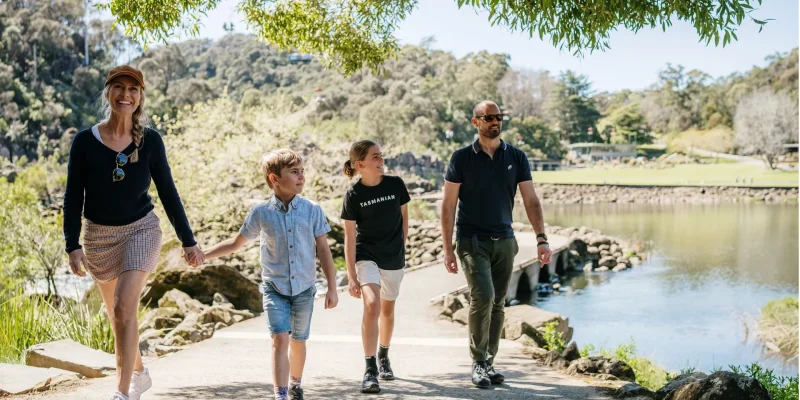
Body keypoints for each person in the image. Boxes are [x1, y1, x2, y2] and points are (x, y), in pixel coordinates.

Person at [63, 65, 204, 400]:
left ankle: (122, 392)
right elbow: (72, 196)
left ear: (141, 97)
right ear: (108, 92)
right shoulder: (84, 141)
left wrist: (188, 241)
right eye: (119, 87)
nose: (126, 95)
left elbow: (168, 192)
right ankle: (138, 372)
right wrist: (72, 244)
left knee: (125, 308)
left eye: (133, 89)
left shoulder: (150, 140)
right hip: (97, 235)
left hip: (141, 230)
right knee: (117, 316)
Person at [202, 149, 339, 400]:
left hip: (305, 289)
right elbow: (235, 244)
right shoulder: (261, 212)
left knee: (298, 340)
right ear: (274, 179)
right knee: (279, 339)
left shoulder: (312, 210)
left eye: (302, 172)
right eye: (294, 172)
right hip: (274, 288)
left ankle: (296, 383)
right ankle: (281, 393)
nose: (301, 177)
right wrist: (203, 255)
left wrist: (332, 287)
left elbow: (323, 249)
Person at [440, 100, 553, 388]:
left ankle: (489, 363)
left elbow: (530, 200)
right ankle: (478, 362)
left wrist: (542, 239)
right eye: (488, 117)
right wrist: (447, 248)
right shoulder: (461, 158)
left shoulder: (516, 156)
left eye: (498, 117)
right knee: (484, 297)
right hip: (471, 241)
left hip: (505, 240)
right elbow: (448, 205)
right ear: (475, 122)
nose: (495, 122)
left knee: (499, 304)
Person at [340, 140, 410, 394]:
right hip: (366, 255)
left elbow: (404, 219)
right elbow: (349, 238)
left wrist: (401, 246)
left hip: (394, 258)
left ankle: (384, 354)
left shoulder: (396, 185)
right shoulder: (353, 195)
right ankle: (370, 369)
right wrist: (351, 276)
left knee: (387, 312)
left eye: (381, 156)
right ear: (360, 164)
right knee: (372, 305)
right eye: (376, 157)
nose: (381, 161)